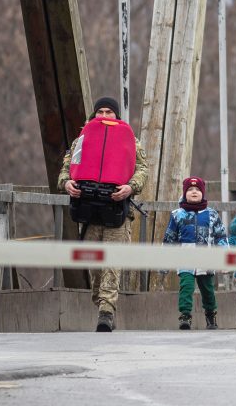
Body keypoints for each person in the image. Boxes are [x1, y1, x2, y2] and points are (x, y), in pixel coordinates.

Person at [57, 96, 149, 332]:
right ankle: (101, 300)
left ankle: (106, 311)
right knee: (94, 264)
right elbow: (67, 169)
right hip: (88, 212)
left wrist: (131, 187)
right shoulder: (82, 140)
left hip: (117, 211)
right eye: (101, 112)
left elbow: (141, 169)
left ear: (117, 115)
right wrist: (67, 183)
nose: (105, 116)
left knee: (112, 262)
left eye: (110, 112)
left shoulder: (130, 140)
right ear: (94, 115)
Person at [163, 177, 228, 330]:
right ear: (185, 193)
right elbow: (169, 238)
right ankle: (185, 316)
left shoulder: (212, 215)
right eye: (190, 190)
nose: (194, 192)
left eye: (197, 190)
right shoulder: (177, 215)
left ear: (203, 193)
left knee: (208, 290)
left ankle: (210, 315)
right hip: (185, 258)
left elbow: (221, 237)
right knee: (186, 287)